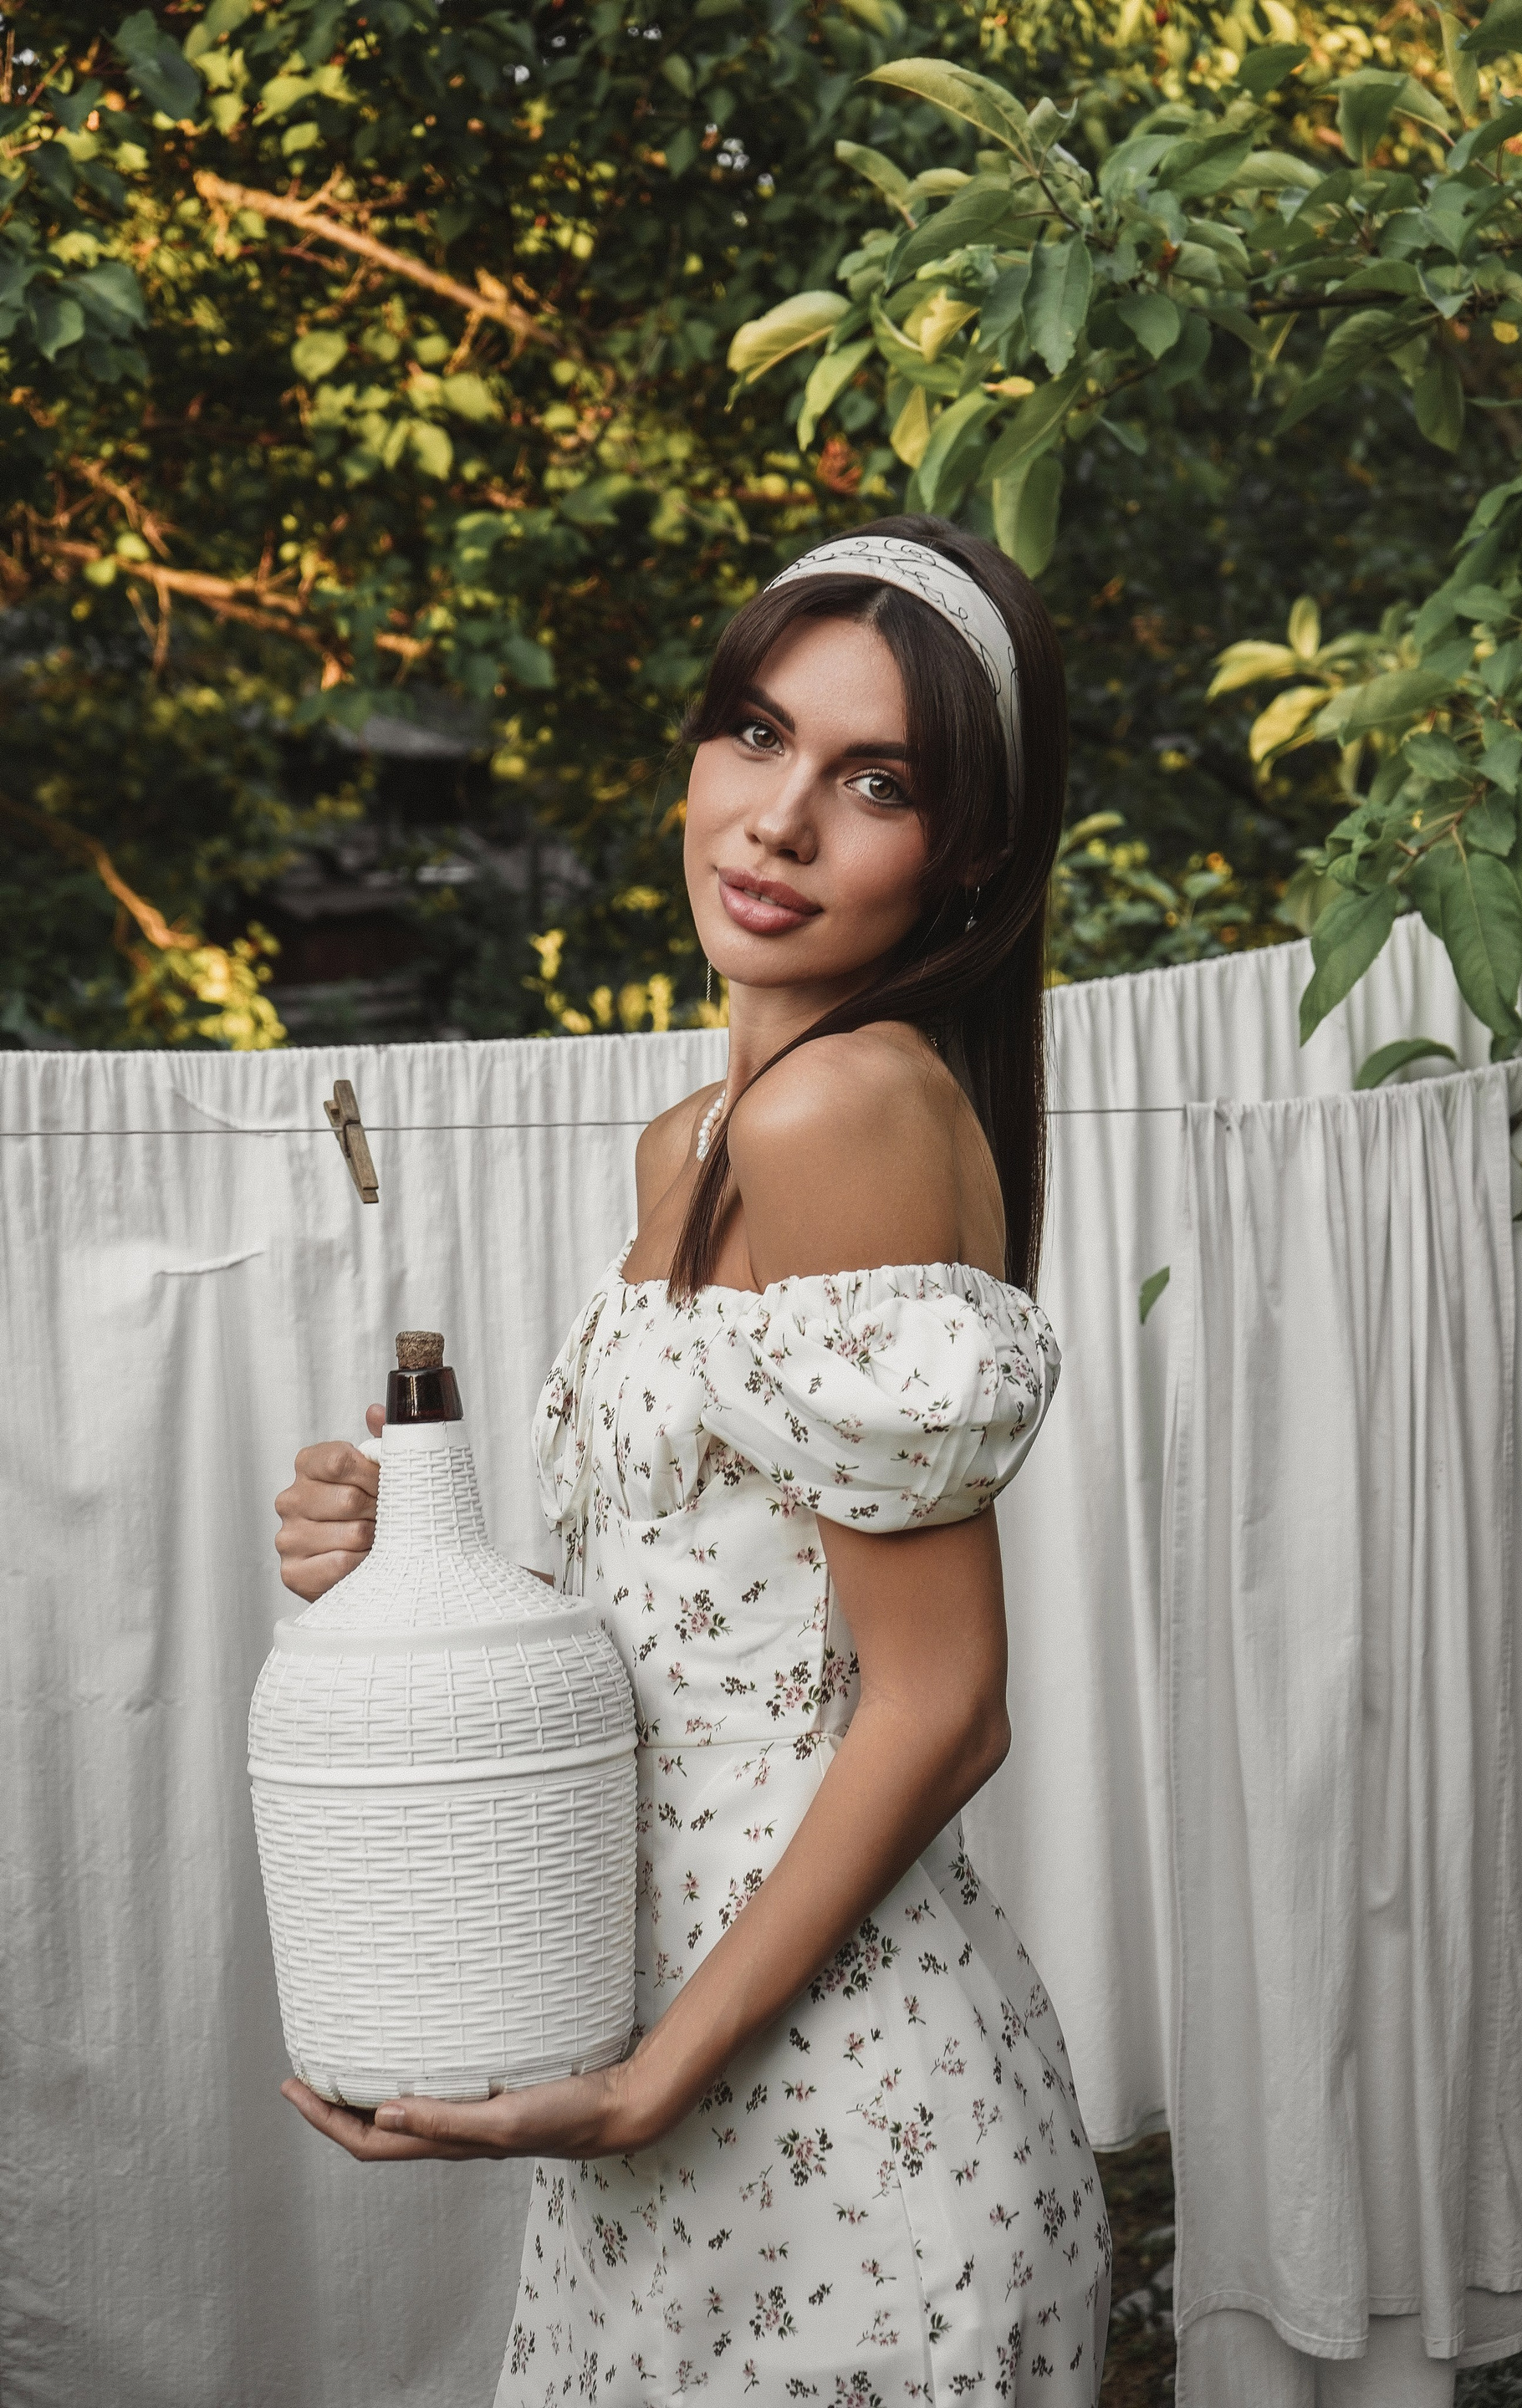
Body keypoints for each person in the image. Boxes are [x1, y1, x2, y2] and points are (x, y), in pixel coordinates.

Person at [272, 515, 1111, 2402]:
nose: (778, 821)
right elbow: (708, 1642)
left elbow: (944, 1704)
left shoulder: (844, 1111)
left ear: (969, 853)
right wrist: (414, 1578)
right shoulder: (699, 1136)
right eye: (756, 733)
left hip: (835, 2116)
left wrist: (656, 2079)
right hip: (676, 2099)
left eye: (876, 781)